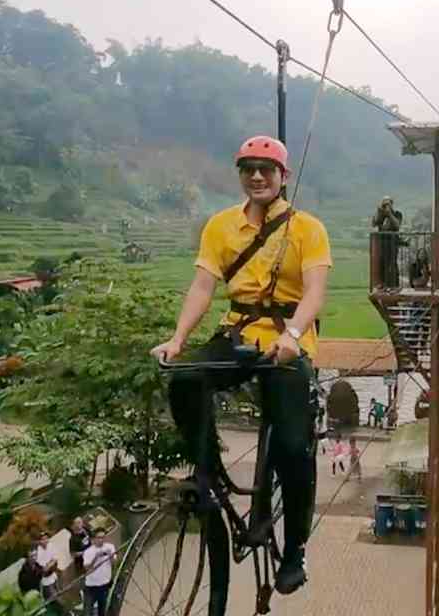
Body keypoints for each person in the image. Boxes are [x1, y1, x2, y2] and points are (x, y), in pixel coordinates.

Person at [152, 134, 330, 596]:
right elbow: (202, 288)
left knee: (293, 449)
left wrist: (293, 336)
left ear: (283, 177)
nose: (256, 176)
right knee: (185, 380)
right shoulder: (220, 226)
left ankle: (295, 551)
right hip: (238, 333)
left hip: (287, 343)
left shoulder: (308, 228)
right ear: (240, 174)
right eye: (248, 168)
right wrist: (178, 339)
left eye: (266, 169)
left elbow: (313, 294)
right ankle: (207, 473)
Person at [82, 528, 117, 615]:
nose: (101, 540)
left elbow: (114, 563)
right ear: (94, 539)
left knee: (103, 610)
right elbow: (87, 569)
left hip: (104, 585)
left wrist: (111, 555)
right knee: (88, 611)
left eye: (103, 537)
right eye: (99, 538)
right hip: (91, 586)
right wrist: (96, 557)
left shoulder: (110, 547)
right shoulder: (88, 552)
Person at [372, 196, 403, 288]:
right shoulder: (381, 215)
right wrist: (379, 212)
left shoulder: (397, 214)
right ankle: (382, 284)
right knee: (381, 263)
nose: (386, 206)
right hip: (382, 243)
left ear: (392, 204)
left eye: (388, 204)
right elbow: (374, 223)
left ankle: (394, 285)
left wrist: (389, 214)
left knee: (392, 264)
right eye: (384, 204)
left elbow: (397, 225)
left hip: (392, 243)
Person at [33, 530, 61, 607]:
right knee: (54, 596)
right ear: (39, 541)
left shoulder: (51, 545)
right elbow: (43, 568)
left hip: (53, 574)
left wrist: (50, 563)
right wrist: (50, 563)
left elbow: (55, 558)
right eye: (42, 539)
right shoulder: (37, 552)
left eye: (46, 538)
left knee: (59, 590)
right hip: (45, 578)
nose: (45, 540)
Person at [68, 517, 92, 586]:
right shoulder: (73, 539)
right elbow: (72, 554)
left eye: (80, 522)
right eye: (77, 523)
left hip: (90, 558)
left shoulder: (86, 531)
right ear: (74, 525)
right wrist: (85, 552)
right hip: (80, 562)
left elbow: (92, 538)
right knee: (83, 578)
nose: (79, 524)